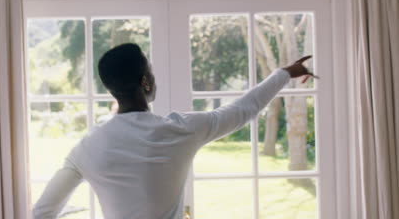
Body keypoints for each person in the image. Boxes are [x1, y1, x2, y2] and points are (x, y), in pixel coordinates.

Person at [32, 43, 318, 219]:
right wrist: (285, 73)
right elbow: (244, 110)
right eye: (151, 72)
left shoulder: (87, 147)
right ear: (145, 82)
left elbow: (43, 212)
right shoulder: (180, 130)